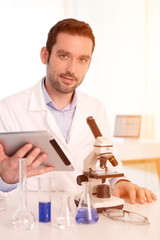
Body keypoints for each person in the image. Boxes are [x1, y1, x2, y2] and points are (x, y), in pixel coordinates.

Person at [0, 18, 156, 204]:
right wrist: (5, 178)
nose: (72, 69)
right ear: (45, 55)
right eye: (64, 56)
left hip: (85, 218)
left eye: (82, 59)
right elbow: (3, 179)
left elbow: (108, 162)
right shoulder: (9, 108)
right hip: (34, 221)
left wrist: (120, 182)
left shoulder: (95, 108)